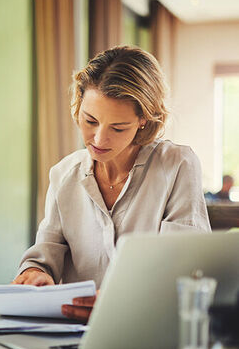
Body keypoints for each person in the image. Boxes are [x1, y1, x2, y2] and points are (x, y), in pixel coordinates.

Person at [12, 45, 211, 322]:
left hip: (147, 330)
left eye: (118, 128)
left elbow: (183, 267)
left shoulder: (177, 165)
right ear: (78, 107)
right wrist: (35, 273)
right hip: (75, 333)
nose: (99, 139)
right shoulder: (63, 174)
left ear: (143, 120)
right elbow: (46, 253)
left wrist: (118, 297)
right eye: (90, 121)